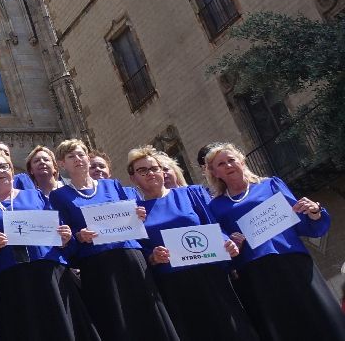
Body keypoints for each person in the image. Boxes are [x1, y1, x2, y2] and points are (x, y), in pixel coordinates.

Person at [204, 142, 345, 339]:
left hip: (292, 261)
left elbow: (304, 224)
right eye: (221, 164)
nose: (228, 165)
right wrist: (232, 243)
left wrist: (313, 212)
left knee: (321, 318)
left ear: (242, 162)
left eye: (231, 160)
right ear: (214, 173)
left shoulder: (270, 185)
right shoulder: (215, 206)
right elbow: (222, 242)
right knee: (284, 328)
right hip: (256, 273)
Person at [50, 139, 177, 341]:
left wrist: (138, 215)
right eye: (70, 156)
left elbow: (132, 221)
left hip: (130, 257)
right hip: (97, 266)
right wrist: (78, 236)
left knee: (148, 313)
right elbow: (65, 236)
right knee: (116, 321)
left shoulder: (112, 185)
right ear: (62, 164)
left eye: (81, 154)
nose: (78, 159)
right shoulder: (59, 196)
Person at [127, 146, 255, 341]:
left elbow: (213, 224)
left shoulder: (191, 194)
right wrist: (152, 257)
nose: (150, 173)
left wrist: (226, 242)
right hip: (174, 284)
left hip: (211, 275)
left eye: (154, 168)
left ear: (163, 171)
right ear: (134, 179)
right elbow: (139, 249)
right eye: (142, 171)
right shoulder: (136, 212)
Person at [0, 149, 98, 341]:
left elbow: (66, 241)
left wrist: (65, 238)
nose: (0, 171)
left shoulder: (36, 197)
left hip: (49, 271)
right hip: (12, 279)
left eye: (5, 166)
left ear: (12, 171)